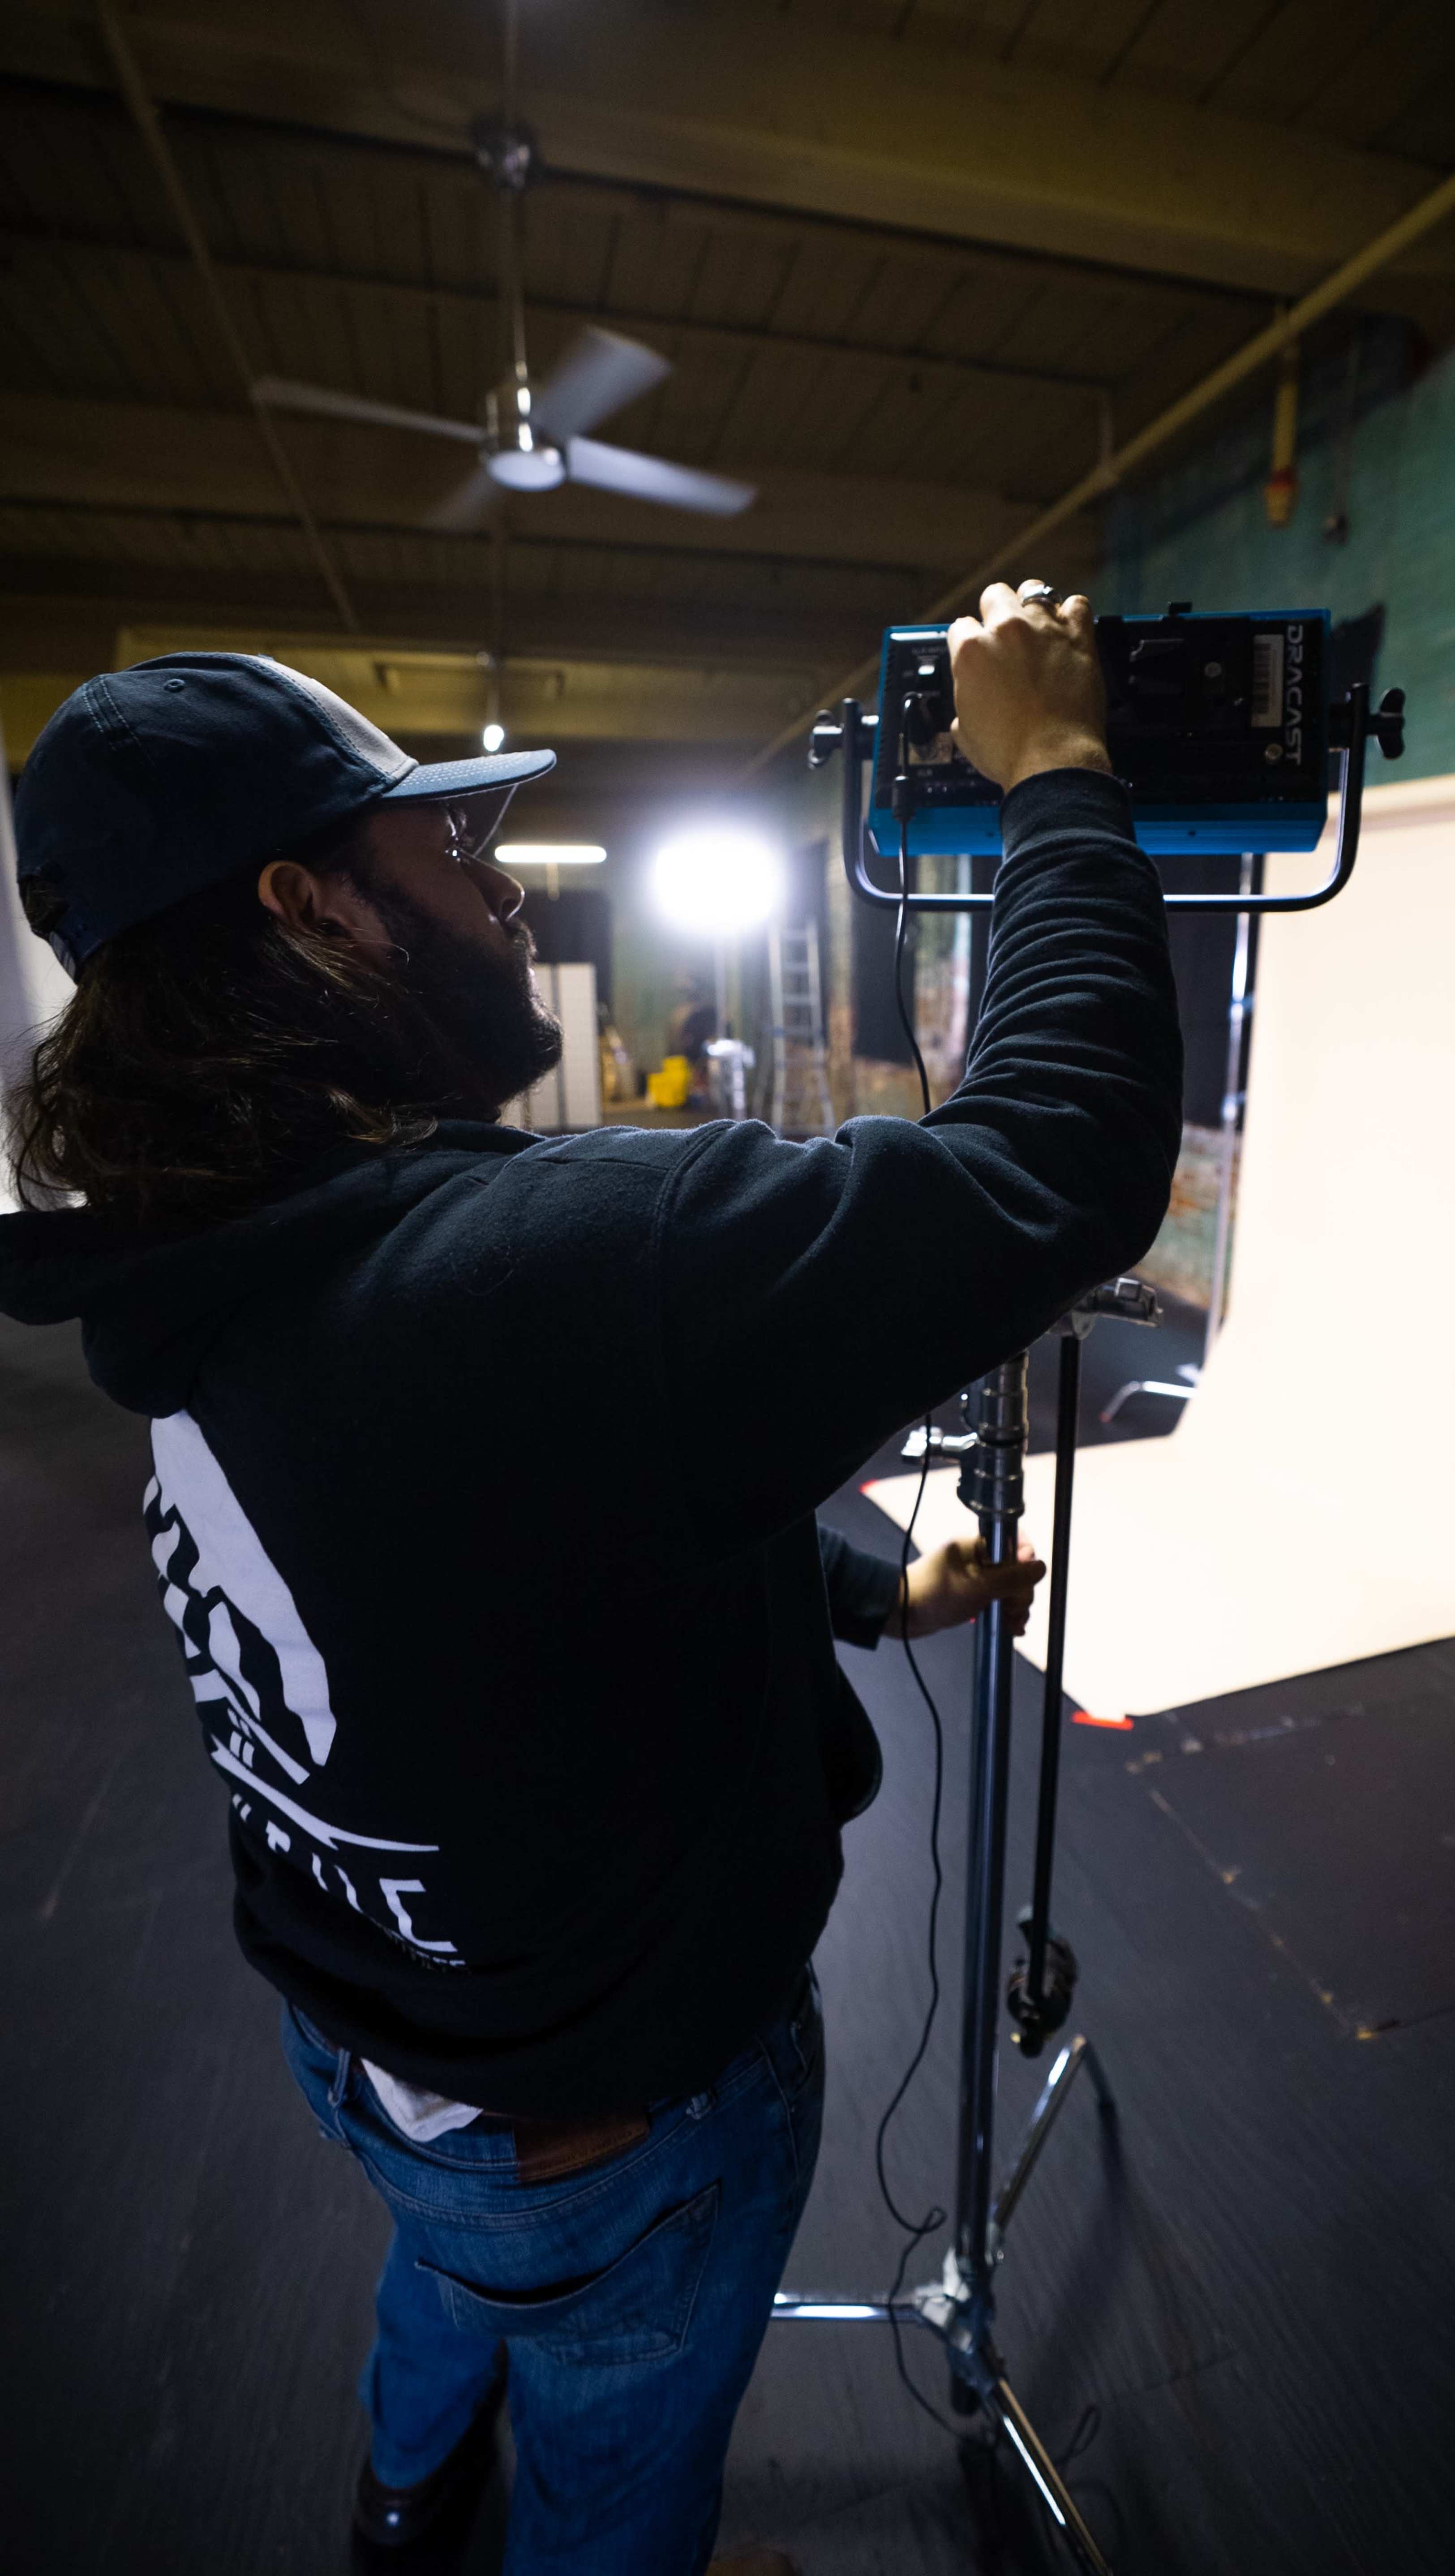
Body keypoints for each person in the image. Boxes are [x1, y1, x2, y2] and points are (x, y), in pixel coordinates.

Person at [0, 587, 1182, 2572]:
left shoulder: (199, 1257)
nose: (503, 892)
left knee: (445, 2283)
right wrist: (1059, 767)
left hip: (375, 2038)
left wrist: (870, 1599)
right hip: (616, 2121)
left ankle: (398, 2502)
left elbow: (471, 1535)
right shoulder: (560, 1262)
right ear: (312, 906)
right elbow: (1058, 1163)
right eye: (444, 850)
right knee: (620, 2474)